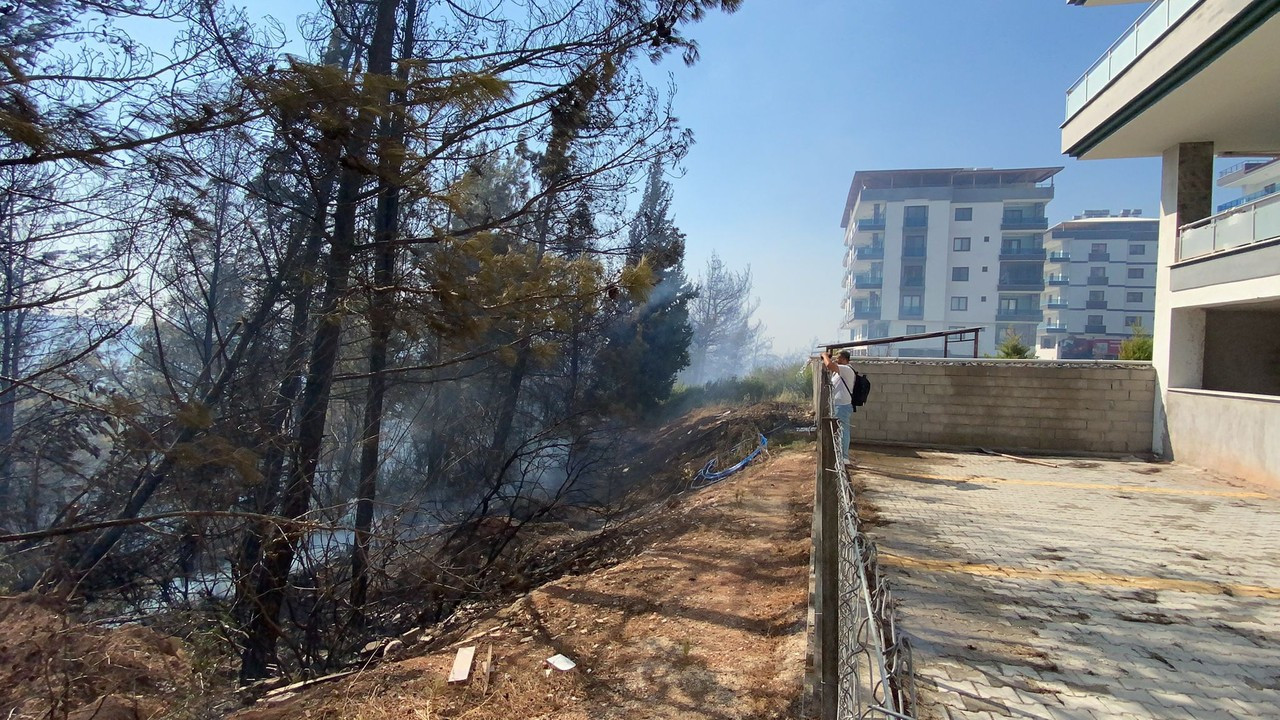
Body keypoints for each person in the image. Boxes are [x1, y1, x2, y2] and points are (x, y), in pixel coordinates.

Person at [820, 349, 857, 466]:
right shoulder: (839, 372)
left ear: (845, 359)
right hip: (838, 405)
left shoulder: (846, 369)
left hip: (842, 406)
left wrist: (824, 355)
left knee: (843, 430)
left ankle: (844, 457)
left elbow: (829, 365)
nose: (836, 359)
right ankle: (839, 454)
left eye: (839, 357)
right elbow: (828, 366)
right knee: (838, 430)